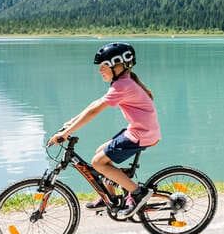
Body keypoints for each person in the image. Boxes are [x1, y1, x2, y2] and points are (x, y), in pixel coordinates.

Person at [48, 42, 161, 214]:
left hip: (141, 134)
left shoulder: (123, 85)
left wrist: (67, 133)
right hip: (139, 131)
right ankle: (110, 197)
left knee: (98, 162)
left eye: (104, 66)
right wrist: (69, 124)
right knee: (101, 152)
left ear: (119, 65)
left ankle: (138, 193)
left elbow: (94, 111)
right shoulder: (123, 82)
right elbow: (95, 104)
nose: (100, 70)